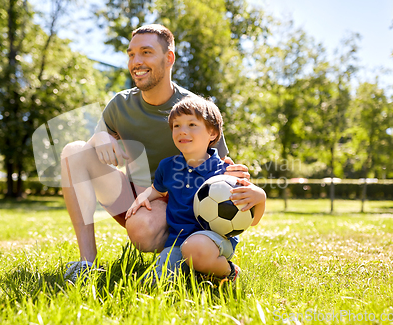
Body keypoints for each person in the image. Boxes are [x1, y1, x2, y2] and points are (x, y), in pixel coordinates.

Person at [61, 24, 256, 282]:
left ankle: (190, 254)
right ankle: (87, 263)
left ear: (169, 58)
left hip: (174, 205)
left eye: (146, 52)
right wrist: (100, 137)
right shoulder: (119, 105)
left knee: (142, 229)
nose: (136, 61)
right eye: (131, 54)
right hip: (134, 199)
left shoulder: (192, 110)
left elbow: (220, 170)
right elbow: (88, 157)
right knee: (73, 151)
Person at [125, 96, 266, 281]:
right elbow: (158, 190)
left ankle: (229, 272)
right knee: (153, 283)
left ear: (212, 133)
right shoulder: (168, 166)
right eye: (177, 126)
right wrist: (144, 196)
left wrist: (260, 197)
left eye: (192, 124)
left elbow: (252, 219)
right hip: (177, 243)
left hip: (212, 243)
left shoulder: (226, 174)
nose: (182, 131)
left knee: (196, 249)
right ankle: (197, 270)